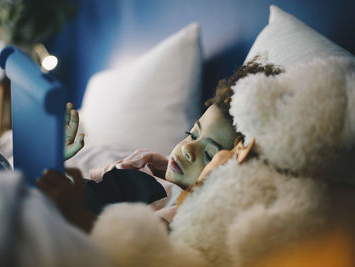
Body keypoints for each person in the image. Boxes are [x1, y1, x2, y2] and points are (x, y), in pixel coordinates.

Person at [37, 57, 284, 232]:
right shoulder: (146, 163)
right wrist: (54, 158)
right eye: (192, 134)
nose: (188, 148)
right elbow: (94, 185)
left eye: (208, 156)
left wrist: (77, 217)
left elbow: (139, 244)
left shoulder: (186, 209)